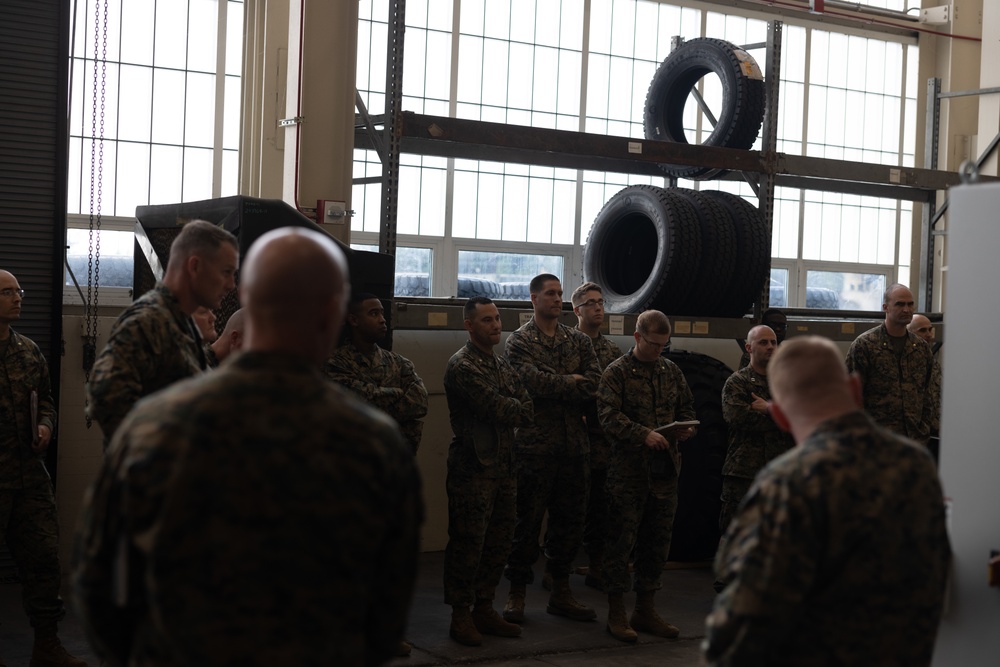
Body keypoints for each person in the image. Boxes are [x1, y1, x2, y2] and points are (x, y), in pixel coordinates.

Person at [73, 227, 423, 667]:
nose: (227, 284)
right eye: (224, 273)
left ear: (249, 306)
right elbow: (386, 616)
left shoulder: (155, 429)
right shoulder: (374, 444)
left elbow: (98, 590)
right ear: (335, 313)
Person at [703, 336, 950, 665]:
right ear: (855, 389)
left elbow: (737, 635)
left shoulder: (787, 483)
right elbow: (938, 581)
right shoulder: (917, 464)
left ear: (780, 416)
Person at [0, 271, 89, 667]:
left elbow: (48, 400)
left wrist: (46, 426)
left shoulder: (30, 352)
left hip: (31, 481)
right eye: (7, 292)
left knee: (44, 563)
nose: (18, 298)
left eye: (19, 290)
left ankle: (46, 646)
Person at [502, 274, 601, 625]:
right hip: (534, 447)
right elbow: (528, 382)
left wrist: (561, 383)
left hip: (574, 448)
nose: (557, 299)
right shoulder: (519, 341)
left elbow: (593, 384)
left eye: (560, 294)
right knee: (525, 524)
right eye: (550, 294)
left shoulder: (578, 341)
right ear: (534, 299)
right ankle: (517, 593)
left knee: (569, 524)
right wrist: (568, 381)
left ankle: (561, 592)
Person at [86, 219, 238, 444]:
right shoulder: (148, 320)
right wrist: (159, 460)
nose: (231, 284)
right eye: (226, 272)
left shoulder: (182, 324)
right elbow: (105, 397)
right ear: (194, 266)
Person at [597, 310, 695, 643]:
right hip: (628, 474)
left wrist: (684, 430)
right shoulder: (617, 374)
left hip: (664, 473)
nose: (659, 351)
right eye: (654, 344)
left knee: (656, 544)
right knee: (621, 543)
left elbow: (686, 409)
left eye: (664, 345)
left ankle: (645, 608)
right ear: (638, 337)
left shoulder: (671, 372)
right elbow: (607, 416)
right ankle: (616, 611)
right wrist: (642, 434)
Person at [443, 297, 534, 646]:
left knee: (498, 542)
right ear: (469, 325)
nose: (496, 325)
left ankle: (484, 607)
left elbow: (526, 407)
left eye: (497, 319)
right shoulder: (462, 366)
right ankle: (461, 615)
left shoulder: (500, 364)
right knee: (468, 544)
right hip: (473, 469)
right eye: (486, 320)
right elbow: (501, 407)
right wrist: (512, 404)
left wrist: (512, 405)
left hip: (505, 467)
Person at [324, 293, 428, 452]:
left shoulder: (399, 363)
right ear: (354, 320)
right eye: (374, 313)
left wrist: (375, 402)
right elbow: (353, 406)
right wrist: (399, 393)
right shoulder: (335, 364)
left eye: (382, 313)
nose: (382, 319)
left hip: (395, 458)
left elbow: (420, 403)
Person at [719, 325, 794, 538]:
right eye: (763, 342)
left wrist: (769, 409)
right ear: (748, 348)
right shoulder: (737, 383)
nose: (770, 347)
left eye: (773, 342)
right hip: (744, 474)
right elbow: (738, 418)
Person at [571, 281, 622, 591]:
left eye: (601, 301)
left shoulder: (611, 350)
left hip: (603, 440)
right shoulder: (566, 345)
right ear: (577, 310)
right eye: (590, 302)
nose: (598, 307)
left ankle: (597, 565)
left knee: (601, 507)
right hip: (572, 437)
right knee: (569, 506)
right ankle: (557, 568)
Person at [845, 284, 936, 446]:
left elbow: (926, 395)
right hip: (876, 442)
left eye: (910, 304)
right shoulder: (865, 346)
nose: (907, 309)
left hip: (914, 440)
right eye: (900, 304)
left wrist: (923, 429)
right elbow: (851, 396)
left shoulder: (921, 348)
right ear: (886, 307)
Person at [907, 313, 943, 461]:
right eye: (922, 330)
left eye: (930, 330)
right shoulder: (904, 362)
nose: (929, 335)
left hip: (934, 434)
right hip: (913, 435)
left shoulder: (933, 362)